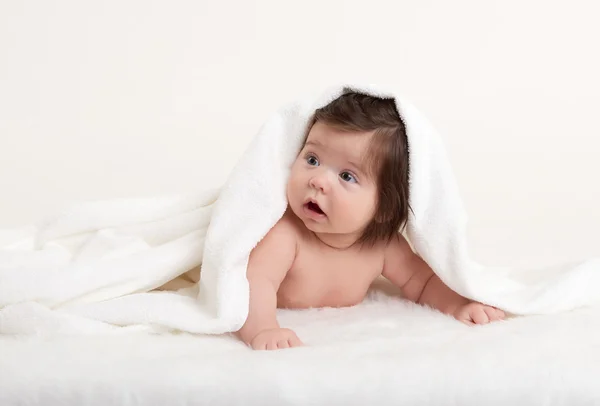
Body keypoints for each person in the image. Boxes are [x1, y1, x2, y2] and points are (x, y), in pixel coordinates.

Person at [237, 91, 505, 350]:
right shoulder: (285, 235)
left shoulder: (382, 244)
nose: (318, 180)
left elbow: (421, 282)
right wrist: (263, 329)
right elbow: (254, 283)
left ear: (383, 209)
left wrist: (457, 305)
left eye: (347, 176)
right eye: (312, 159)